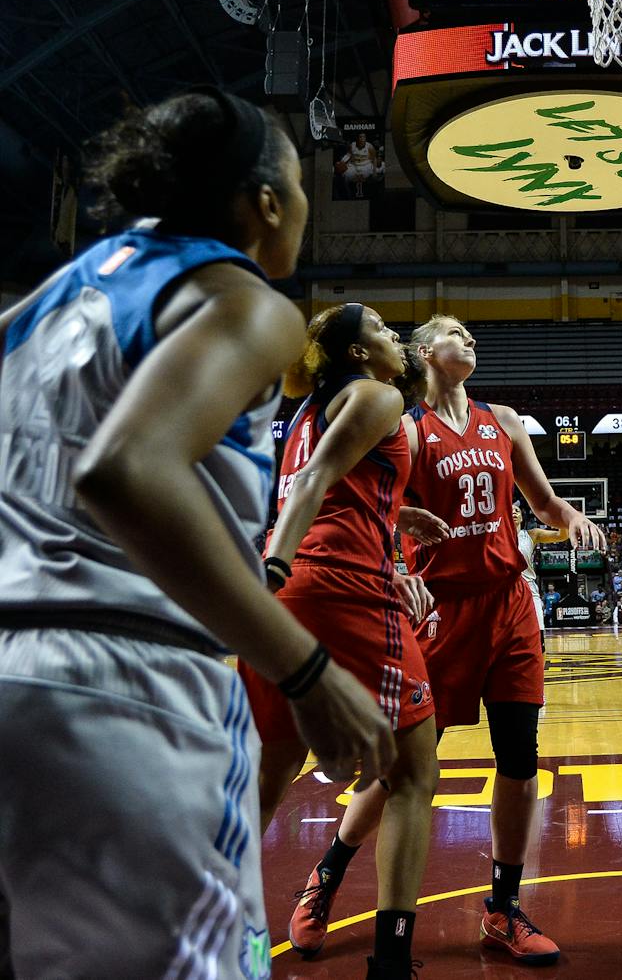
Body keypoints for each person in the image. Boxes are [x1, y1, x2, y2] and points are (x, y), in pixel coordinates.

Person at [0, 89, 394, 978]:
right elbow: (126, 470)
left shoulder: (48, 302)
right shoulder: (243, 299)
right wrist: (306, 668)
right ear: (264, 203)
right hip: (124, 688)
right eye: (300, 185)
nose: (304, 205)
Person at [286, 314, 606, 967]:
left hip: (509, 604)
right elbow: (373, 504)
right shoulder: (404, 426)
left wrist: (571, 517)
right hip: (440, 612)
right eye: (459, 332)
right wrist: (398, 566)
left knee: (521, 758)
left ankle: (502, 909)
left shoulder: (506, 419)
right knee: (404, 768)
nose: (473, 340)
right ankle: (326, 875)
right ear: (427, 350)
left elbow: (543, 503)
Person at [242, 303, 447, 979]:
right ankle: (390, 958)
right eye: (384, 331)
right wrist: (270, 563)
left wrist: (391, 516)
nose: (397, 337)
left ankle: (219, 925)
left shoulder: (309, 412)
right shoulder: (380, 394)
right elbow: (312, 485)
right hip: (344, 595)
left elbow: (331, 489)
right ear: (359, 354)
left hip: (295, 594)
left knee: (268, 777)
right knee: (413, 771)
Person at [514, 502, 568, 633]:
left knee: (538, 628)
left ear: (521, 517)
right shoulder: (496, 536)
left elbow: (562, 536)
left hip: (527, 585)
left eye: (517, 510)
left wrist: (560, 519)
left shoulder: (531, 535)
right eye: (509, 510)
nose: (514, 512)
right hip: (505, 588)